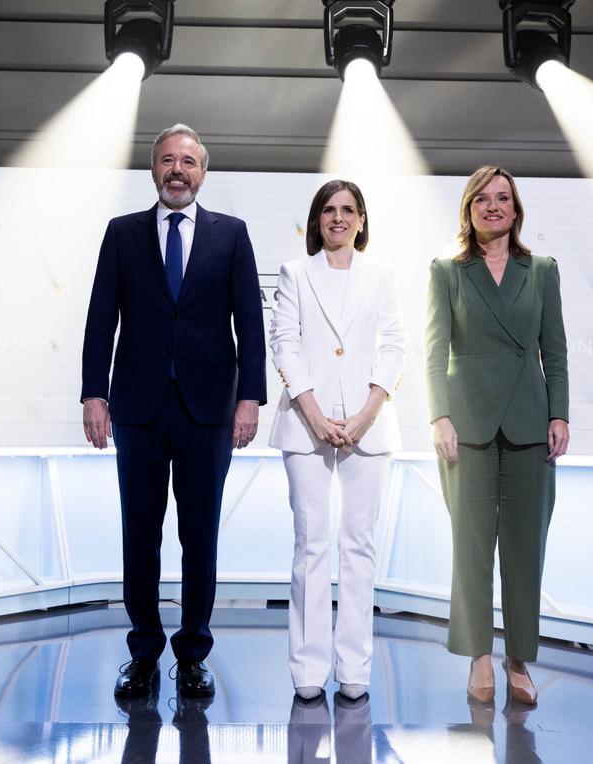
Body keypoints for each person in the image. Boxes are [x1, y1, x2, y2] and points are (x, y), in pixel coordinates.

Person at [82, 123, 267, 699]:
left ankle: (192, 654)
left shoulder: (231, 235)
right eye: (167, 160)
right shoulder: (122, 233)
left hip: (208, 411)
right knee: (139, 535)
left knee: (199, 537)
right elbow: (100, 318)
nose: (177, 170)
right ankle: (143, 652)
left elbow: (250, 324)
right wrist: (93, 394)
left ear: (203, 172)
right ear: (153, 169)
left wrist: (249, 398)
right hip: (137, 410)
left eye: (188, 161)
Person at [425, 166, 569, 706]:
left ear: (516, 208)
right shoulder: (447, 271)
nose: (493, 206)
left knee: (525, 549)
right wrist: (439, 416)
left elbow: (554, 350)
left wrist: (560, 414)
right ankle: (479, 656)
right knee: (471, 547)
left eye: (503, 198)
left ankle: (519, 659)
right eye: (482, 198)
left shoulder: (542, 270)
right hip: (467, 425)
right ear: (468, 208)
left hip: (530, 422)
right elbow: (434, 351)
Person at [269, 179, 406, 701]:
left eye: (349, 210)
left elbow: (395, 346)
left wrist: (369, 411)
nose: (339, 218)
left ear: (362, 220)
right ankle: (307, 669)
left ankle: (355, 669)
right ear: (316, 219)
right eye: (329, 209)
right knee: (311, 543)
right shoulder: (294, 273)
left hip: (368, 424)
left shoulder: (382, 275)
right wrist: (313, 412)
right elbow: (284, 344)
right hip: (307, 423)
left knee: (359, 545)